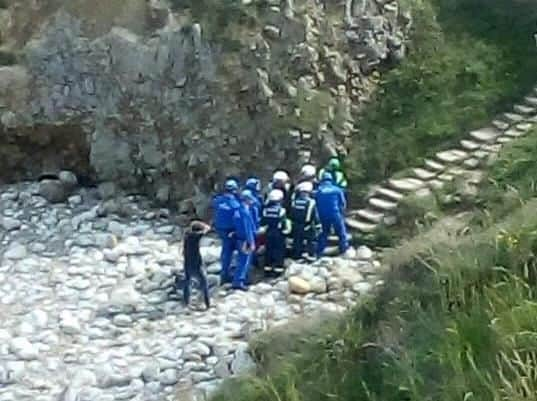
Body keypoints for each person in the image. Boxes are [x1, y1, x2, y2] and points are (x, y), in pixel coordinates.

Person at [212, 179, 241, 284]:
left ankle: (224, 272)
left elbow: (214, 205)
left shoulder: (218, 200)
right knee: (236, 252)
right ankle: (233, 275)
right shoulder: (235, 203)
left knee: (225, 251)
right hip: (232, 230)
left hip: (220, 229)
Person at [316, 172, 349, 256]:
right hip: (335, 213)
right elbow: (343, 203)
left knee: (324, 233)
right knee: (341, 232)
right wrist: (342, 213)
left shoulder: (319, 191)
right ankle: (343, 250)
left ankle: (319, 252)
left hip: (322, 215)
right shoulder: (337, 189)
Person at [231, 190, 257, 291]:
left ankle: (239, 279)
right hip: (245, 240)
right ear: (247, 200)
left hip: (239, 238)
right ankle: (239, 282)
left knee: (241, 259)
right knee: (244, 260)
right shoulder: (245, 212)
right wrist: (251, 242)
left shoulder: (237, 211)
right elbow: (247, 229)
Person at [182, 220, 212, 309]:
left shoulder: (187, 235)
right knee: (204, 282)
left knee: (187, 281)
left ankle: (186, 302)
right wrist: (205, 226)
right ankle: (207, 304)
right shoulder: (196, 237)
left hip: (187, 262)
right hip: (197, 263)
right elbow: (207, 229)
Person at [261, 189, 292, 276]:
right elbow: (284, 223)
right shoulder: (281, 211)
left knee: (268, 251)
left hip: (268, 233)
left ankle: (267, 269)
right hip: (278, 234)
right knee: (279, 251)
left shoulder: (265, 210)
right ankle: (278, 270)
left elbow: (263, 222)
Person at [290, 181, 319, 261]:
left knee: (297, 241)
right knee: (311, 240)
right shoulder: (311, 202)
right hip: (307, 225)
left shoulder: (294, 202)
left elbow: (291, 214)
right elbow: (315, 215)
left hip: (296, 225)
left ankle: (297, 256)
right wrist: (318, 226)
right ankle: (311, 256)